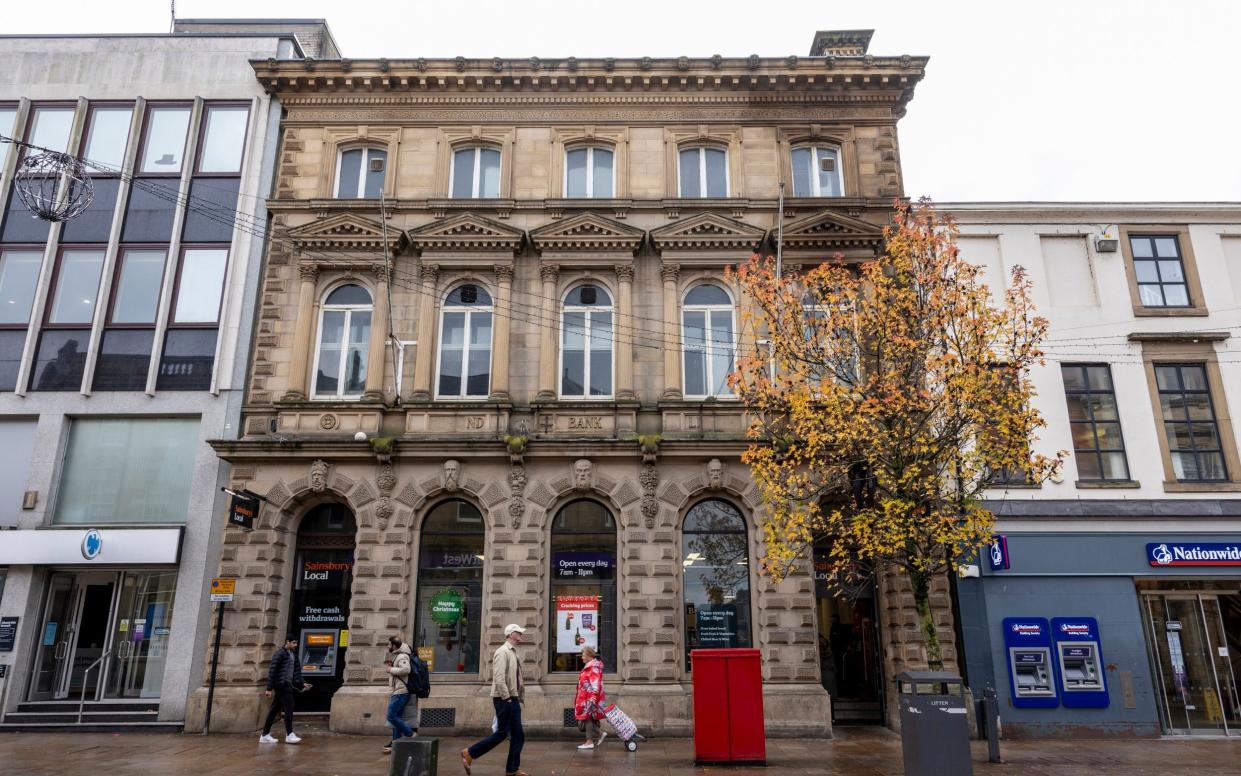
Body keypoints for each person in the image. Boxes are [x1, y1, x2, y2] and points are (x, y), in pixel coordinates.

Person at [461, 624, 527, 776]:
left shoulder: (512, 652)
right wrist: (507, 698)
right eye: (518, 632)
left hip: (512, 698)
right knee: (503, 733)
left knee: (517, 735)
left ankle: (512, 769)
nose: (521, 634)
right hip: (505, 699)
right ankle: (469, 752)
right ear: (511, 634)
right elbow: (498, 677)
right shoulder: (502, 652)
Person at [259, 635, 310, 744]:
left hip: (288, 684)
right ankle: (289, 734)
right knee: (289, 706)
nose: (295, 645)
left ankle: (264, 735)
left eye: (296, 643)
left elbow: (296, 672)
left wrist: (302, 683)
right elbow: (272, 671)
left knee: (274, 709)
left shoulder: (293, 655)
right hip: (281, 685)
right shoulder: (280, 654)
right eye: (294, 643)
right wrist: (269, 688)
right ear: (287, 642)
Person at [383, 634, 417, 755]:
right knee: (396, 718)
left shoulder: (402, 656)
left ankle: (410, 733)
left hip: (401, 692)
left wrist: (390, 670)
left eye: (389, 644)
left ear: (394, 645)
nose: (388, 646)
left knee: (391, 716)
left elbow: (406, 670)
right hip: (398, 691)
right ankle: (396, 743)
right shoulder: (398, 655)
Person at [573, 646, 608, 750]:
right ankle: (599, 734)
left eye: (583, 655)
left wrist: (592, 698)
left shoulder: (593, 668)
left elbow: (595, 684)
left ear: (589, 656)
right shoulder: (590, 666)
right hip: (586, 697)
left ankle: (590, 741)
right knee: (588, 718)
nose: (582, 657)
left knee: (587, 718)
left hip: (589, 698)